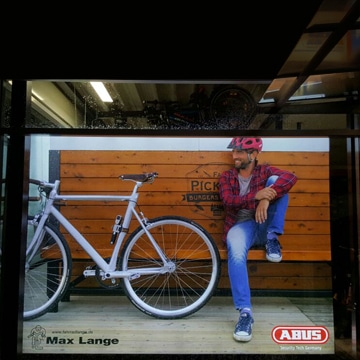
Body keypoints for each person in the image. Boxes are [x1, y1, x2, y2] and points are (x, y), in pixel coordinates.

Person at [218, 137, 297, 342]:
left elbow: (290, 178)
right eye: (233, 152)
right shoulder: (227, 176)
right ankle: (245, 312)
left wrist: (265, 198)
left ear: (253, 155)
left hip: (263, 224)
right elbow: (229, 201)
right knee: (234, 250)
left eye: (239, 152)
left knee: (277, 184)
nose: (234, 156)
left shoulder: (265, 171)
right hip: (240, 226)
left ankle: (272, 237)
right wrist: (256, 196)